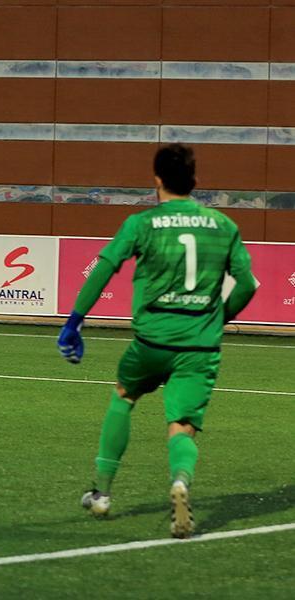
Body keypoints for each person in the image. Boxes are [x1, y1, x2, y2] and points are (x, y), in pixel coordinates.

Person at [57, 143, 257, 539]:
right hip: (198, 346)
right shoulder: (223, 225)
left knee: (124, 396)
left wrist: (74, 322)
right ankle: (180, 480)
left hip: (151, 342)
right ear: (194, 181)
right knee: (182, 425)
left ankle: (101, 494)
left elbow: (104, 268)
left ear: (157, 180)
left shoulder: (142, 223)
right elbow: (248, 284)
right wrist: (219, 318)